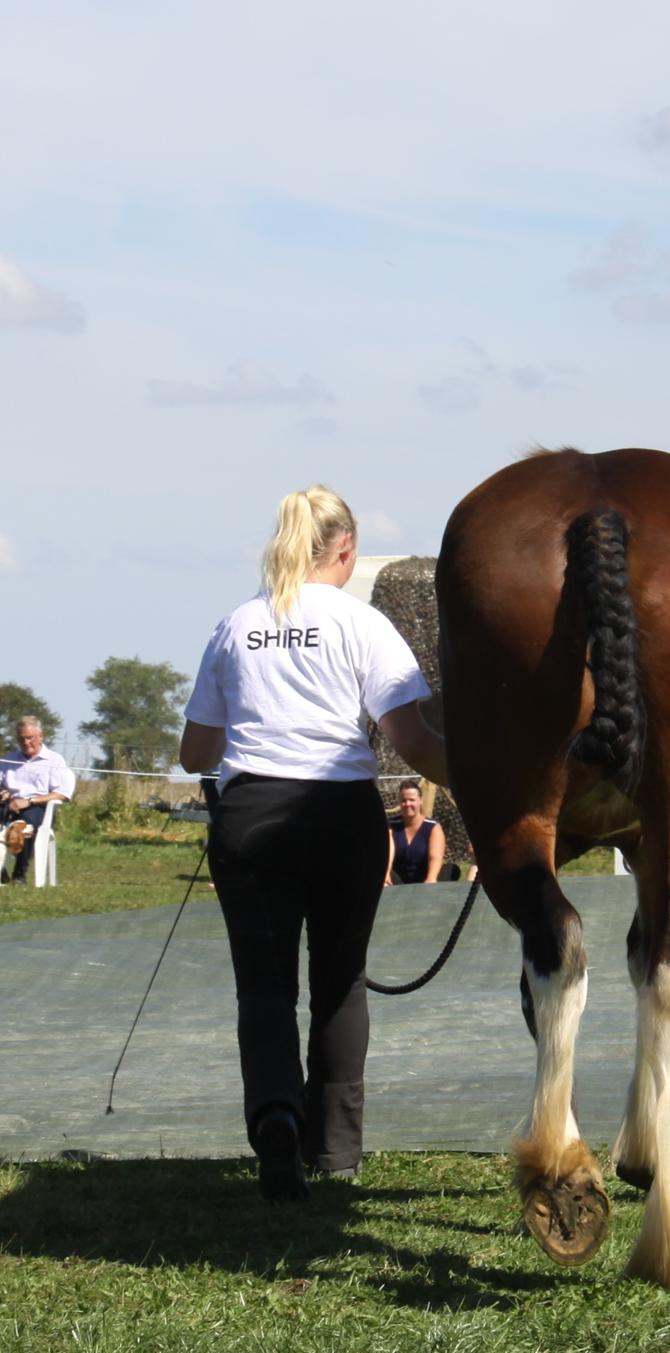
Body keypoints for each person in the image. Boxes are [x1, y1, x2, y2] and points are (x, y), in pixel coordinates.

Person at [180, 484, 447, 1201]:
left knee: (265, 987)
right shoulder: (364, 625)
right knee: (339, 982)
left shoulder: (235, 626)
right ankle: (335, 1150)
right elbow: (414, 738)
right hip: (340, 816)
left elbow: (192, 750)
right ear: (346, 550)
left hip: (252, 814)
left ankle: (273, 1116)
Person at [0, 716, 76, 885]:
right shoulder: (8, 759)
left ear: (40, 736)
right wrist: (3, 792)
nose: (26, 742)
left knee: (22, 827)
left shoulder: (54, 760)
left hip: (38, 808)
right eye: (21, 739)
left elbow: (62, 794)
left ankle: (19, 874)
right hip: (8, 804)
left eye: (30, 738)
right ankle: (1, 870)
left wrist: (30, 801)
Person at [385, 778, 457, 884]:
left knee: (451, 869)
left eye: (412, 800)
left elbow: (435, 858)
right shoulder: (390, 825)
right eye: (404, 800)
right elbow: (387, 856)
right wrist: (385, 876)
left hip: (425, 879)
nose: (407, 804)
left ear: (420, 800)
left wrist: (430, 879)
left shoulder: (432, 827)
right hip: (398, 881)